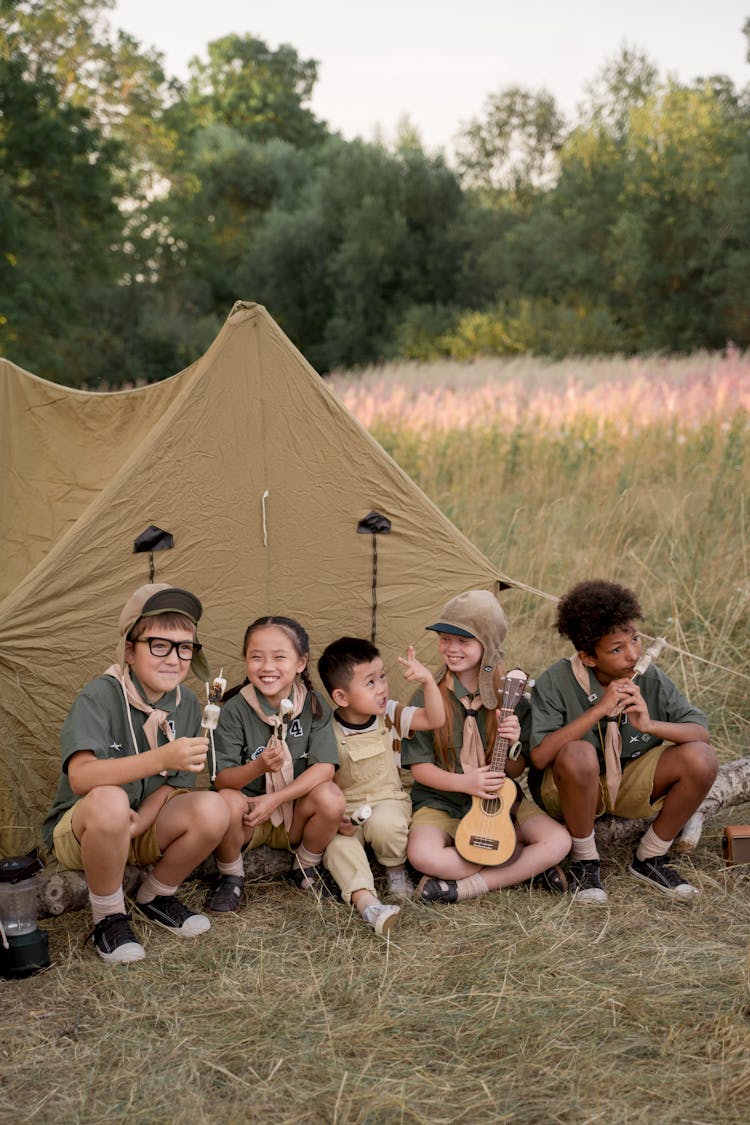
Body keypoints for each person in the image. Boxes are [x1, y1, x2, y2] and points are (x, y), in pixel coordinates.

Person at [41, 584, 230, 964]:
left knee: (215, 807)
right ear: (130, 650)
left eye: (184, 647)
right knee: (110, 798)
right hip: (85, 831)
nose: (173, 658)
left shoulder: (188, 703)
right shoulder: (100, 696)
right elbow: (81, 778)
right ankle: (108, 916)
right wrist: (161, 756)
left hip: (140, 826)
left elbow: (174, 784)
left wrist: (143, 820)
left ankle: (157, 894)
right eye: (158, 645)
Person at [528, 578, 718, 903]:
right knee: (578, 753)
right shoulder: (556, 681)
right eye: (617, 649)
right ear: (588, 657)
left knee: (701, 757)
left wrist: (649, 724)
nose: (633, 654)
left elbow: (700, 733)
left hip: (627, 783)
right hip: (566, 790)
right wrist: (599, 709)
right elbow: (541, 757)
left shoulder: (649, 677)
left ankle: (651, 857)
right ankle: (585, 861)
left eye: (635, 639)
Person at [402, 590, 571, 904]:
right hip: (442, 800)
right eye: (445, 639)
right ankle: (520, 863)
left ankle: (463, 886)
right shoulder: (428, 695)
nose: (451, 649)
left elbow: (515, 771)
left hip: (499, 803)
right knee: (423, 856)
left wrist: (513, 741)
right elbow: (420, 769)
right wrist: (464, 782)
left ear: (488, 645)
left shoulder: (510, 697)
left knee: (559, 841)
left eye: (463, 641)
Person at [204, 616, 345, 912]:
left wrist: (277, 799)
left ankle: (306, 866)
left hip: (294, 816)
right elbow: (222, 779)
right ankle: (231, 875)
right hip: (248, 820)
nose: (267, 667)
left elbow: (325, 768)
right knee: (225, 801)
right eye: (256, 657)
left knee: (331, 796)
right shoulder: (232, 710)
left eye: (280, 657)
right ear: (245, 661)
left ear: (301, 662)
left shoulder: (314, 704)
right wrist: (257, 768)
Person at [317, 636, 445, 936]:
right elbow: (322, 782)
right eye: (370, 682)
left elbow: (435, 719)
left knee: (386, 824)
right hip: (347, 809)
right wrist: (337, 819)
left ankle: (395, 870)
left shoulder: (389, 715)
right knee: (337, 848)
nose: (383, 687)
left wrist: (427, 682)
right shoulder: (327, 731)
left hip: (388, 799)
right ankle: (368, 902)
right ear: (342, 697)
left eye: (382, 677)